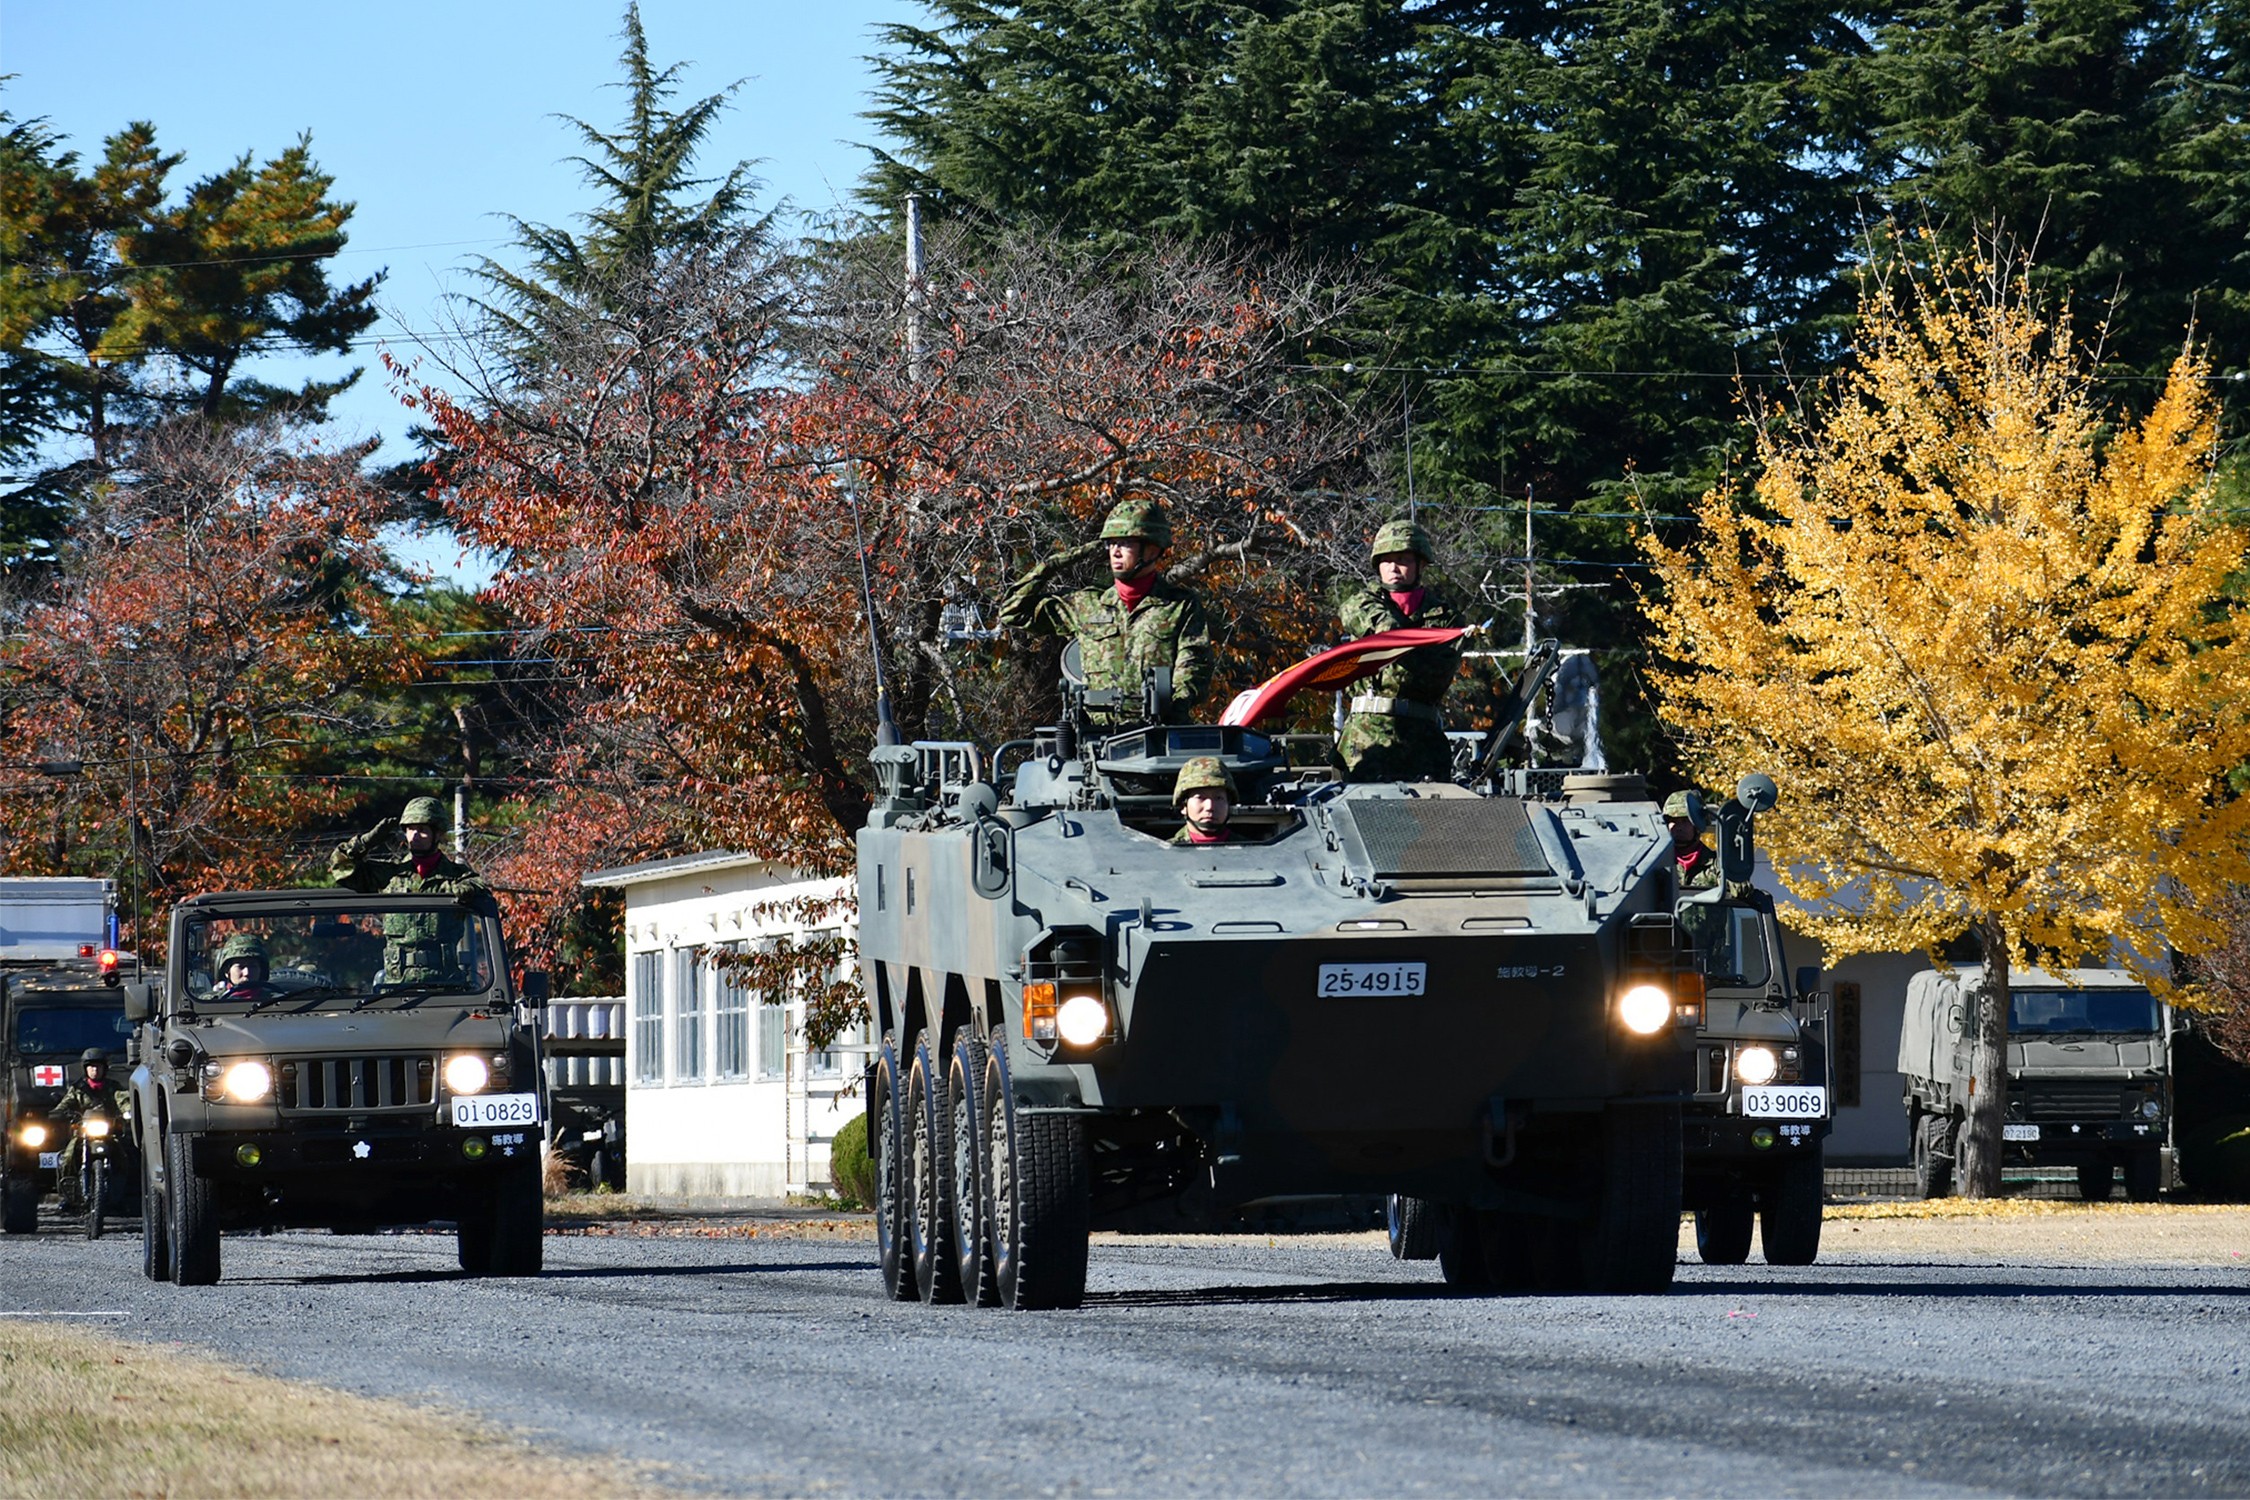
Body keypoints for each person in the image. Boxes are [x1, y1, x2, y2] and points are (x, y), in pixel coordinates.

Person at [999, 499, 1214, 728]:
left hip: (1160, 736)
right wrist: (1055, 563)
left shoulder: (1179, 606)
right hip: (1098, 739)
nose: (1116, 552)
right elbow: (1013, 611)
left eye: (1126, 543)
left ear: (1152, 549)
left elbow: (1193, 667)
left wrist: (1172, 706)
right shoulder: (1087, 605)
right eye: (1111, 543)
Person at [1335, 519, 1476, 782]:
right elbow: (1368, 621)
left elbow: (1434, 676)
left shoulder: (1445, 618)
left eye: (1403, 559)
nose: (1394, 568)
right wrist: (1409, 642)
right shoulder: (1361, 603)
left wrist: (1395, 646)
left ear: (1420, 564)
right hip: (1366, 740)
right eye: (1386, 560)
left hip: (1422, 740)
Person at [330, 796, 490, 986]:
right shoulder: (390, 874)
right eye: (410, 829)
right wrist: (365, 842)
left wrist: (465, 890)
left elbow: (481, 890)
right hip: (397, 987)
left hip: (445, 987)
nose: (414, 835)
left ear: (437, 834)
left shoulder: (457, 876)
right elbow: (341, 870)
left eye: (422, 830)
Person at [52, 1048, 126, 1206]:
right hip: (83, 1134)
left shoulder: (113, 1087)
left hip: (109, 1133)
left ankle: (123, 1195)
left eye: (98, 1066)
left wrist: (128, 1110)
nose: (95, 1070)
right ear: (85, 1069)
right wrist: (58, 1113)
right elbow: (66, 1103)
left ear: (104, 1069)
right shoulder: (78, 1088)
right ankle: (68, 1195)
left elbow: (123, 1099)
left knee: (124, 1157)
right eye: (91, 1066)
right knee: (68, 1158)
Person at [1169, 757, 1236, 844]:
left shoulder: (1250, 851)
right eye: (1200, 797)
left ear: (1228, 804)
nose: (1210, 807)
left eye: (1218, 798)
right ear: (1183, 806)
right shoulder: (1166, 853)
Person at [1666, 791, 1719, 893]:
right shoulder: (1659, 864)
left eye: (1685, 821)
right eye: (1673, 820)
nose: (1678, 827)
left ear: (1698, 825)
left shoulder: (1717, 865)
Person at [210, 933, 279, 1000]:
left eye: (253, 966)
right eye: (240, 967)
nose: (247, 973)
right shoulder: (210, 1002)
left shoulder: (276, 1001)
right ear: (227, 970)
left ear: (261, 970)